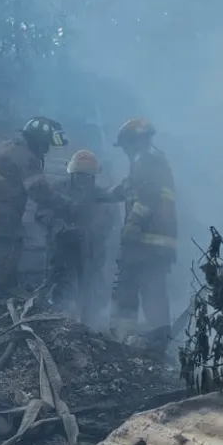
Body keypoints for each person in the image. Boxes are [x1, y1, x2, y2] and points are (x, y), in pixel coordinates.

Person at [0, 116, 69, 301]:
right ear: (39, 141)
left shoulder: (11, 145)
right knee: (8, 246)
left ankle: (5, 287)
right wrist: (64, 204)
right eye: (47, 144)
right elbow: (39, 191)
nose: (48, 149)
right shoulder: (26, 156)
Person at [109, 117, 177, 347]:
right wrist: (98, 195)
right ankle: (158, 334)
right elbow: (127, 189)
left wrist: (131, 227)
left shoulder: (146, 162)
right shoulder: (152, 163)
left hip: (147, 240)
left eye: (127, 146)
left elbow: (147, 197)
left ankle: (124, 333)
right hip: (158, 242)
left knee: (132, 283)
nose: (126, 152)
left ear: (134, 142)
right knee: (152, 287)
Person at [34, 149, 118, 327]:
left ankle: (89, 322)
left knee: (90, 284)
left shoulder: (101, 196)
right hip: (61, 247)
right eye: (79, 175)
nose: (83, 180)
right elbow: (42, 212)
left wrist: (88, 231)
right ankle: (58, 319)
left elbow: (107, 222)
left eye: (87, 176)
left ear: (93, 177)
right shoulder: (57, 189)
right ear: (72, 174)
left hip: (89, 249)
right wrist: (58, 225)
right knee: (59, 281)